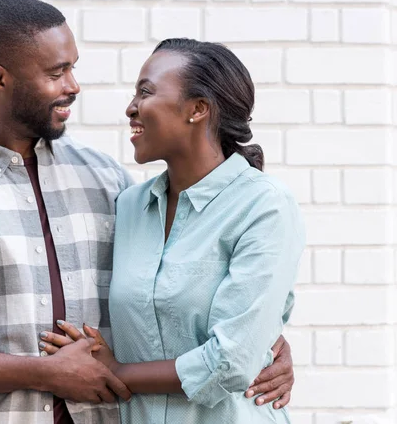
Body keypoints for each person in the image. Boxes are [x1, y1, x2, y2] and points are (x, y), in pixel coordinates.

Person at [0, 0, 295, 424]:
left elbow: (170, 290)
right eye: (57, 73)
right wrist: (46, 373)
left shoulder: (107, 181)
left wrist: (262, 344)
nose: (73, 85)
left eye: (73, 68)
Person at [38, 39, 305, 423]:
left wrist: (114, 373)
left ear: (198, 109)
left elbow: (233, 361)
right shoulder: (129, 206)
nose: (131, 107)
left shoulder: (264, 206)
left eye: (145, 92)